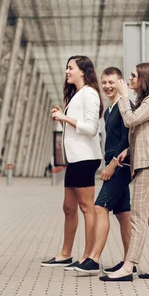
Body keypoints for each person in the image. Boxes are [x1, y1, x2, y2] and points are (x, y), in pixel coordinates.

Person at [100, 63, 149, 282]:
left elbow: (130, 120)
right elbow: (146, 132)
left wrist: (123, 97)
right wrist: (128, 150)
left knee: (138, 217)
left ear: (144, 79)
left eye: (133, 75)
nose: (129, 79)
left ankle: (128, 266)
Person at [41, 55, 103, 270]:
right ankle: (65, 254)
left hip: (85, 158)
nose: (67, 71)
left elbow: (92, 128)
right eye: (67, 68)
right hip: (74, 159)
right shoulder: (77, 95)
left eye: (71, 68)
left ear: (83, 71)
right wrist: (62, 115)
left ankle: (88, 257)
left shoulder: (89, 94)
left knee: (86, 207)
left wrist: (64, 118)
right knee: (68, 207)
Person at [74, 67, 132, 275]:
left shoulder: (125, 106)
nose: (107, 86)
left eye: (112, 82)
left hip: (121, 166)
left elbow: (127, 138)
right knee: (123, 214)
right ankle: (129, 263)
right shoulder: (108, 110)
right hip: (115, 164)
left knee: (100, 207)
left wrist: (112, 164)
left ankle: (94, 259)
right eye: (104, 82)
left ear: (120, 83)